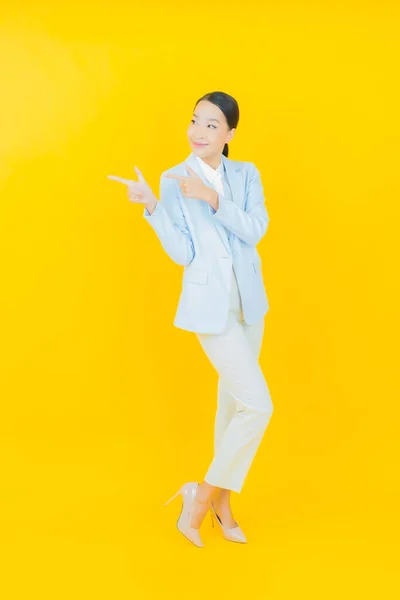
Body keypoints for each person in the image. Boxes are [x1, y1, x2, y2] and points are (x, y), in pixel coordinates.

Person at [108, 91, 274, 547]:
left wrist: (214, 198)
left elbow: (257, 229)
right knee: (260, 406)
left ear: (230, 134)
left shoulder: (245, 175)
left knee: (235, 406)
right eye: (195, 121)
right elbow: (184, 251)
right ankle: (200, 499)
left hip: (249, 305)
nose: (199, 132)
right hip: (211, 310)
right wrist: (152, 208)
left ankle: (220, 501)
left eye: (212, 125)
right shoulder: (172, 177)